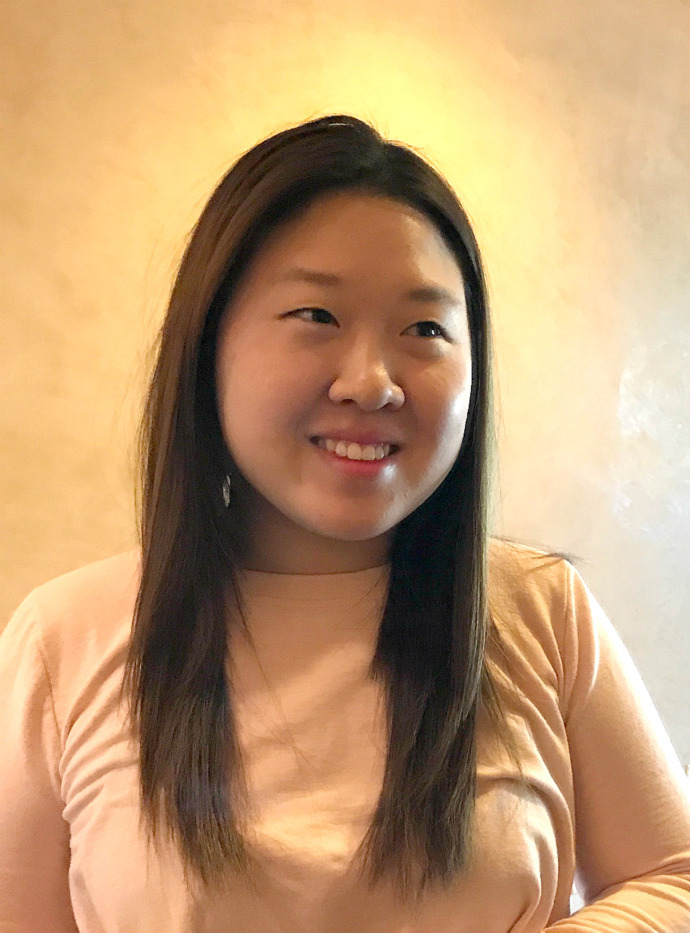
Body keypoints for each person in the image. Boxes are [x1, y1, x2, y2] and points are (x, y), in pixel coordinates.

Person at [1, 113, 689, 933]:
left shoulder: (543, 610)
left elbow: (673, 876)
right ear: (208, 342)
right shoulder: (64, 638)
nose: (371, 383)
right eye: (316, 316)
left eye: (425, 329)